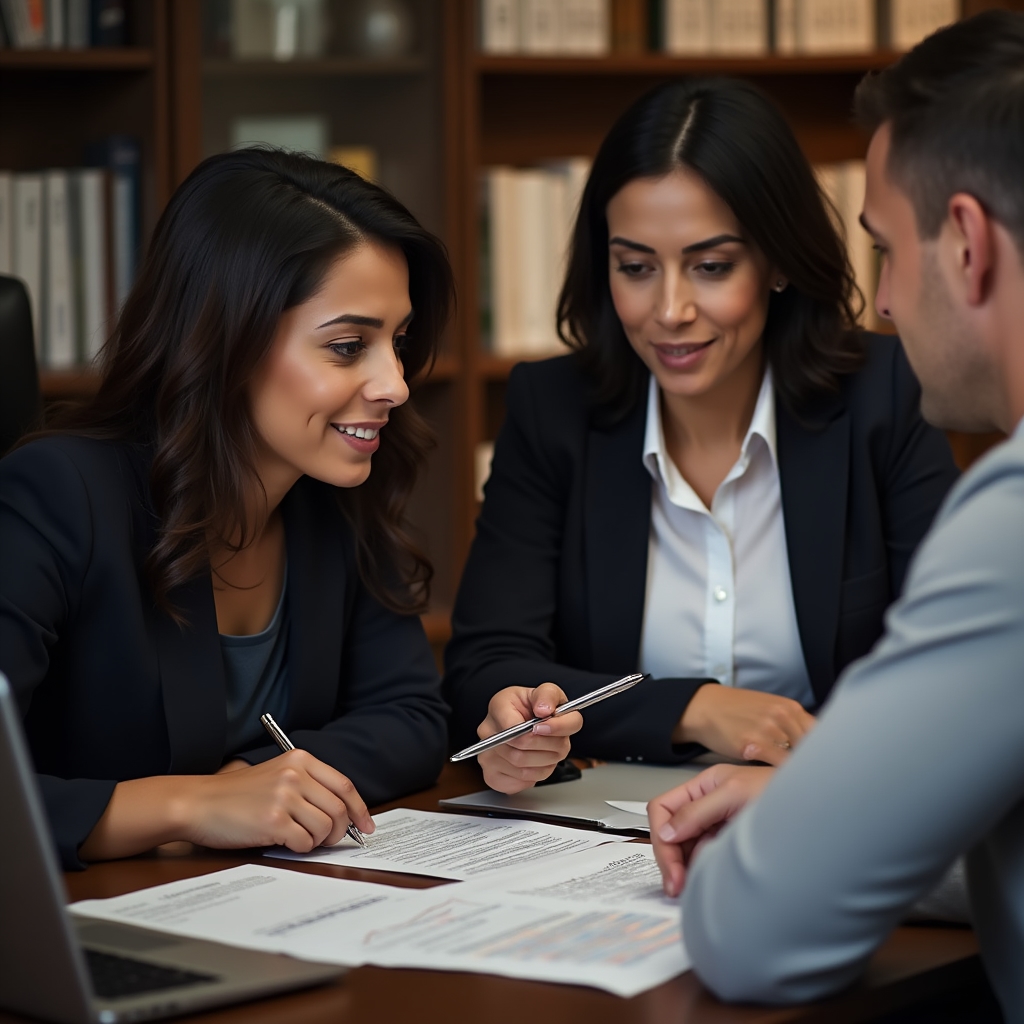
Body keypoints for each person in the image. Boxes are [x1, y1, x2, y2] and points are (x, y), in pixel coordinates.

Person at [646, 12, 1024, 1020]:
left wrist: (800, 837)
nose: (886, 303)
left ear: (969, 246)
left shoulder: (1014, 519)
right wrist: (832, 813)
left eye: (886, 251)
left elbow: (749, 937)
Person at [443, 77, 958, 795]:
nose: (671, 310)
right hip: (605, 835)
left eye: (712, 267)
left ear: (777, 261)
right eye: (636, 268)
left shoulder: (887, 395)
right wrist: (692, 708)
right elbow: (485, 668)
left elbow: (954, 667)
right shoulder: (553, 406)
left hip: (832, 808)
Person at [0, 149, 454, 870]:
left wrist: (259, 788)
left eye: (397, 343)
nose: (396, 384)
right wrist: (196, 806)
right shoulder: (58, 494)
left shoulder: (335, 494)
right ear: (226, 340)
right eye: (347, 346)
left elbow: (410, 720)